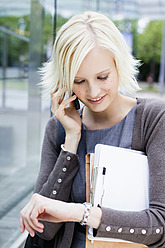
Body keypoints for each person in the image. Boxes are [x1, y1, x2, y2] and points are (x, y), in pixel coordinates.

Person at [20, 11, 165, 248]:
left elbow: (160, 225)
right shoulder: (57, 130)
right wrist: (72, 139)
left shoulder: (154, 120)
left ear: (119, 65)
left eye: (102, 76)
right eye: (79, 82)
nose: (94, 92)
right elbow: (43, 230)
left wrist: (81, 213)